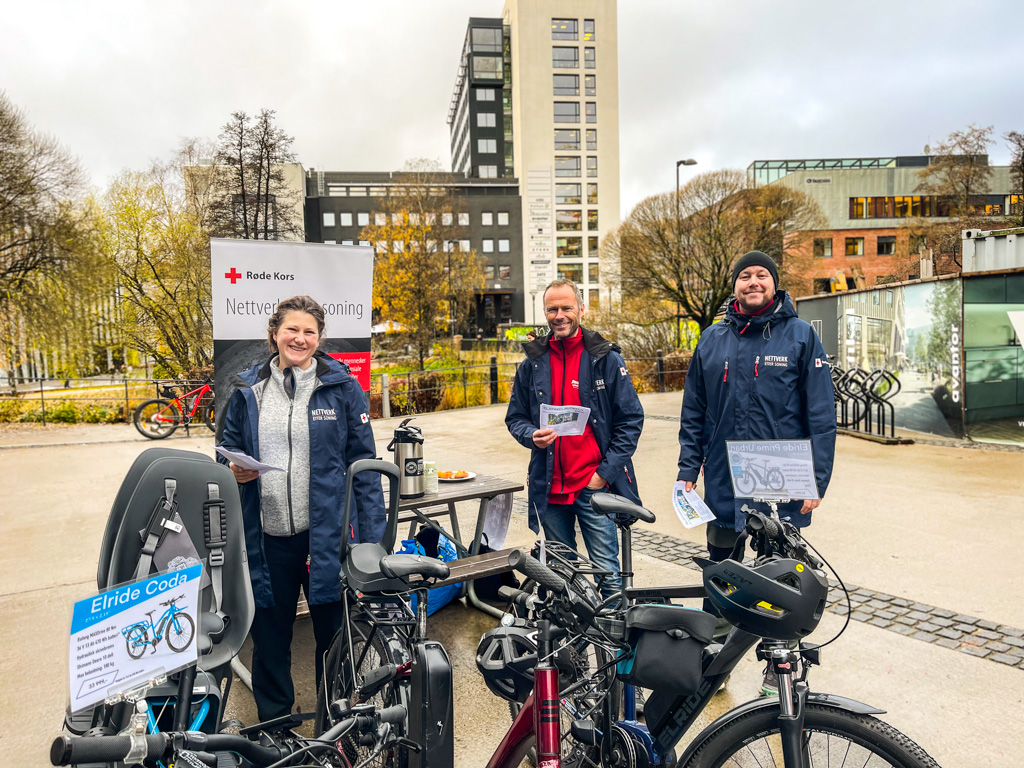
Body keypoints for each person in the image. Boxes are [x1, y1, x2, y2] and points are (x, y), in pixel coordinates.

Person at [218, 295, 385, 722]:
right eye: (292, 329)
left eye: (309, 331)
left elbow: (364, 466)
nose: (300, 338)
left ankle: (337, 722)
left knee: (333, 636)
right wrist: (231, 469)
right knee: (271, 639)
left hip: (324, 537)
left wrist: (374, 541)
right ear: (274, 334)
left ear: (319, 338)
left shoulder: (342, 387)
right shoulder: (246, 388)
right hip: (267, 536)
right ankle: (276, 727)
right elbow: (225, 452)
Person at [676, 251, 836, 694]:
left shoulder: (801, 337)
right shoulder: (712, 339)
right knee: (721, 569)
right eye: (745, 275)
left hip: (780, 479)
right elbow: (695, 409)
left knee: (782, 575)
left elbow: (821, 415)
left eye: (761, 275)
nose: (753, 282)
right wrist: (688, 467)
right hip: (724, 478)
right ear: (735, 286)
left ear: (774, 283)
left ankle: (779, 663)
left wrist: (816, 479)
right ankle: (714, 653)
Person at [506, 279, 644, 600]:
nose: (560, 315)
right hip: (550, 487)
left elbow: (631, 420)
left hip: (593, 486)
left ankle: (615, 649)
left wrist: (603, 476)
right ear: (545, 313)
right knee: (563, 579)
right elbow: (516, 418)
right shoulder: (532, 363)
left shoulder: (605, 358)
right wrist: (532, 436)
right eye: (552, 309)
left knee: (608, 577)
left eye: (567, 307)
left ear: (581, 309)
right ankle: (576, 647)